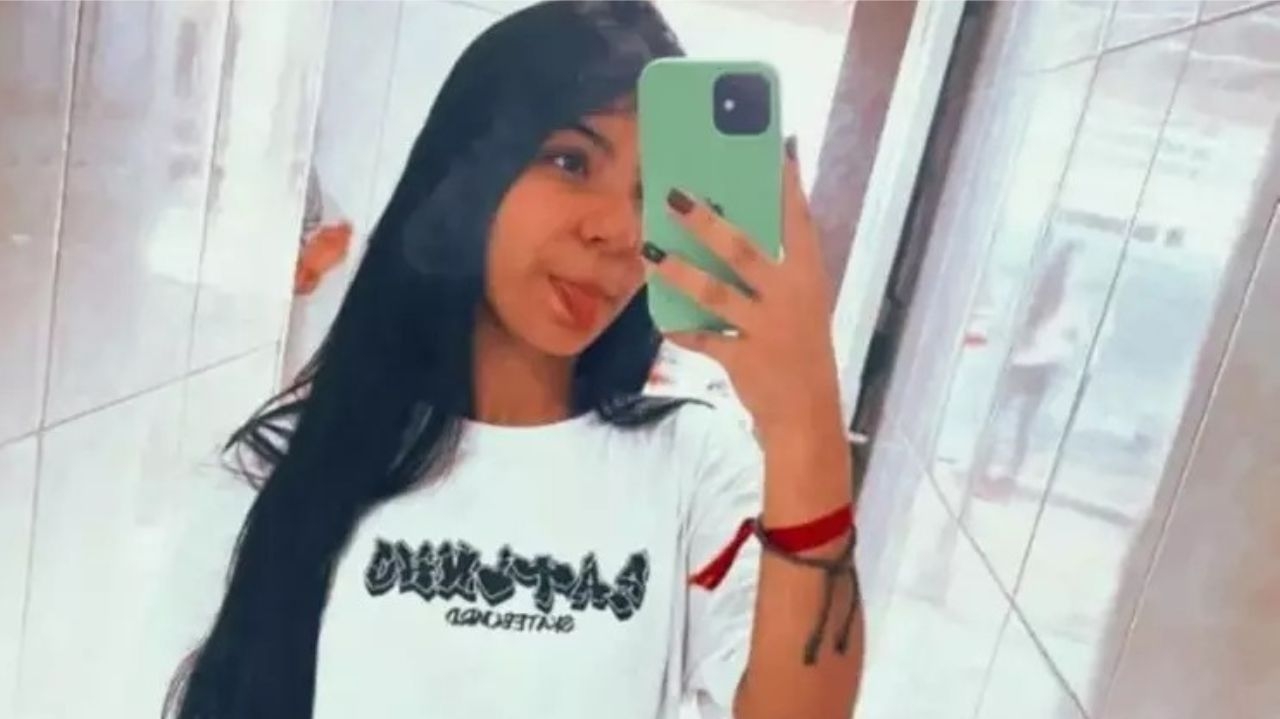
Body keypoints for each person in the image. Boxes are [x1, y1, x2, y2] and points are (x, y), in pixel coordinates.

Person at [166, 3, 862, 718]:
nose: (618, 230)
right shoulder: (279, 465)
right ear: (469, 171)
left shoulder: (696, 465)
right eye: (571, 161)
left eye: (649, 196)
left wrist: (803, 415)